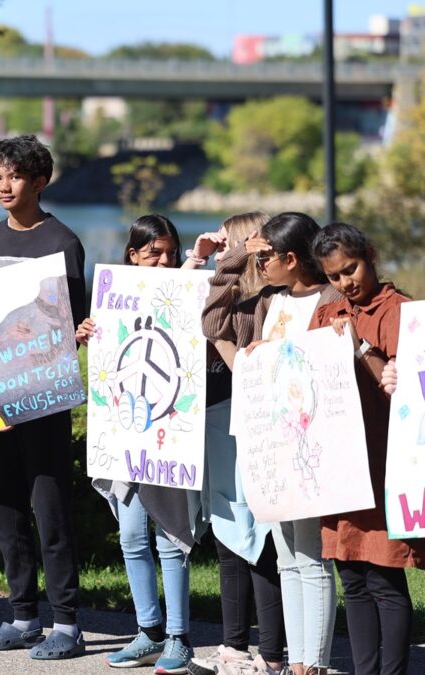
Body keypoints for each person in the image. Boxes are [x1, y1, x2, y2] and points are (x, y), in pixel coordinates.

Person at [0, 135, 87, 660]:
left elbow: (68, 323)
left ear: (39, 181)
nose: (4, 186)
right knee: (5, 510)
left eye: (16, 176)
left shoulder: (64, 240)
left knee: (50, 510)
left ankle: (68, 623)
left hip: (45, 400)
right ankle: (22, 615)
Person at [202, 212, 342, 675]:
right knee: (287, 558)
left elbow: (330, 364)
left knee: (312, 556)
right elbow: (212, 321)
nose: (259, 265)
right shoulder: (270, 301)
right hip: (270, 444)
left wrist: (277, 353)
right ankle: (296, 662)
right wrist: (236, 254)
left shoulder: (330, 299)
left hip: (312, 444)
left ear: (291, 258)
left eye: (265, 257)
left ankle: (314, 664)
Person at [74, 215, 214, 674]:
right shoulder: (114, 298)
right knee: (132, 537)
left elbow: (191, 282)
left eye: (170, 252)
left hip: (167, 438)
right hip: (126, 440)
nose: (164, 260)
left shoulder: (186, 293)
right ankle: (147, 631)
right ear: (132, 255)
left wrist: (197, 258)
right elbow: (110, 360)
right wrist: (87, 334)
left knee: (171, 539)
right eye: (154, 252)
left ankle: (178, 636)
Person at [309, 222, 425, 675]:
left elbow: (405, 387)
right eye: (335, 276)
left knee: (383, 574)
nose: (346, 282)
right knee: (351, 577)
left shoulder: (401, 311)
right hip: (339, 465)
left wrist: (358, 345)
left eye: (351, 269)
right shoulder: (327, 313)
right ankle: (364, 669)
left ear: (370, 256)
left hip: (384, 462)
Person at [189, 212, 287, 675]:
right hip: (218, 419)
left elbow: (213, 328)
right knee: (229, 534)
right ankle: (233, 645)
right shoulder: (228, 293)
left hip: (251, 419)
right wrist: (205, 260)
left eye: (234, 245)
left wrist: (228, 261)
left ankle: (272, 652)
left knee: (261, 537)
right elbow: (194, 314)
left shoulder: (271, 301)